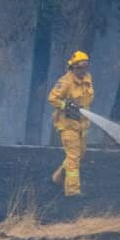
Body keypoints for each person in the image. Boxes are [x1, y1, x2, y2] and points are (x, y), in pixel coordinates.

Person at [48, 51, 94, 197]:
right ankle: (72, 191)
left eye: (86, 66)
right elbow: (52, 99)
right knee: (73, 157)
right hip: (67, 126)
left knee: (78, 155)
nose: (83, 70)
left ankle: (58, 178)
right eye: (80, 67)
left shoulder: (88, 79)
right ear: (73, 67)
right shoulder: (65, 82)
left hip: (82, 126)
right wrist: (65, 105)